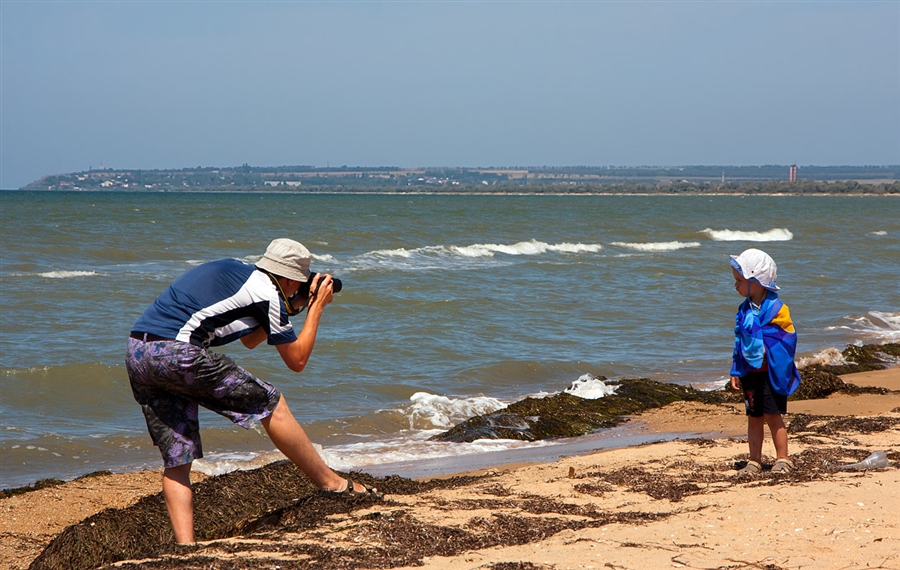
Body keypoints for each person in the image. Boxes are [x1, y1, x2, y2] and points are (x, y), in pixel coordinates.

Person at [125, 238, 381, 544]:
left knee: (178, 456)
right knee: (271, 403)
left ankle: (186, 547)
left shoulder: (240, 273)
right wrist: (315, 310)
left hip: (138, 353)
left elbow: (249, 340)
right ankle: (333, 484)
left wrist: (293, 307)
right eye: (298, 283)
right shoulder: (268, 292)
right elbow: (297, 360)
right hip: (177, 352)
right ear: (288, 279)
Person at [729, 248, 801, 474]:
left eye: (740, 281)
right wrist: (735, 369)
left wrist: (766, 346)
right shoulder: (743, 310)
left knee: (773, 416)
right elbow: (739, 340)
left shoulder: (778, 309)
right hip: (750, 373)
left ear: (756, 281)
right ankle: (754, 460)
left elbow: (786, 338)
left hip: (771, 373)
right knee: (753, 417)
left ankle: (783, 458)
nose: (736, 285)